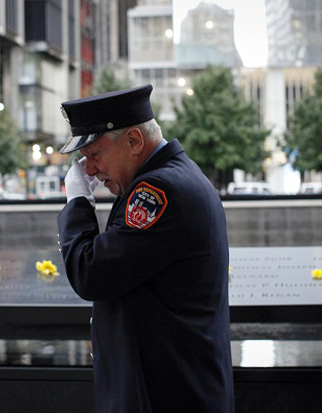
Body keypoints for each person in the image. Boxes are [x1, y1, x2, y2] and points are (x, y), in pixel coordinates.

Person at [57, 84, 234, 412]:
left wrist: (78, 201)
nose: (90, 170)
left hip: (164, 398)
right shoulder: (174, 177)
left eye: (94, 155)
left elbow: (90, 272)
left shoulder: (159, 191)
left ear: (134, 141)